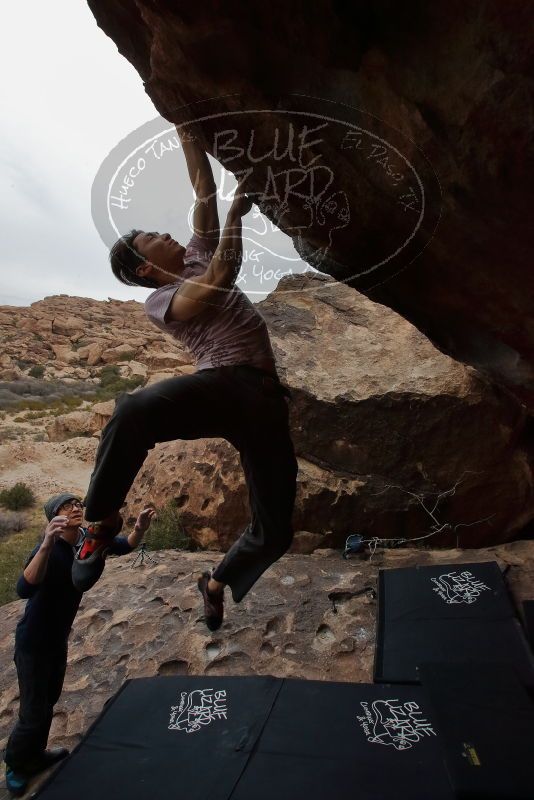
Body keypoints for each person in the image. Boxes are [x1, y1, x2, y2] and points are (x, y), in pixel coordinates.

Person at [72, 125, 299, 632]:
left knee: (276, 529)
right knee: (134, 410)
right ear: (146, 267)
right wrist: (238, 218)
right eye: (152, 237)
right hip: (224, 384)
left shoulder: (196, 251)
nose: (166, 234)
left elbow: (203, 189)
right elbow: (222, 277)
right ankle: (101, 521)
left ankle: (215, 582)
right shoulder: (161, 302)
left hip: (264, 399)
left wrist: (184, 126)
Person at [4, 493, 155, 797]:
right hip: (33, 642)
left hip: (58, 638)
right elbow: (23, 588)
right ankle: (17, 765)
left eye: (77, 504)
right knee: (33, 711)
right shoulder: (50, 547)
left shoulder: (87, 539)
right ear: (53, 517)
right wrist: (47, 542)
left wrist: (139, 528)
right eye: (66, 506)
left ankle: (36, 756)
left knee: (48, 702)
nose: (75, 508)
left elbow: (124, 546)